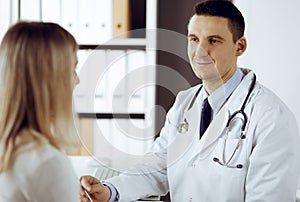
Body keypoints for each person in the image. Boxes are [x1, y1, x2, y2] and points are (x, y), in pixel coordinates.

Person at [80, 1, 300, 201]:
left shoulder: (270, 117)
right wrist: (110, 191)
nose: (200, 51)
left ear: (239, 46)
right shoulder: (185, 102)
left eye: (213, 40)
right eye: (194, 39)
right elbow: (158, 166)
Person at [0, 21, 81, 201]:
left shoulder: (11, 148)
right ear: (50, 80)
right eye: (72, 68)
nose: (77, 80)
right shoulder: (46, 162)